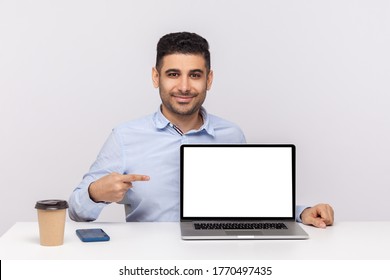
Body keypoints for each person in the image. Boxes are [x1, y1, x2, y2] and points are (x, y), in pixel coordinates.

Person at [69, 32, 334, 228]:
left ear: (209, 79)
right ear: (155, 77)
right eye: (173, 74)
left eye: (195, 75)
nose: (184, 86)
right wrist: (95, 193)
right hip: (152, 262)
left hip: (221, 257)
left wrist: (302, 212)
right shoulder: (125, 137)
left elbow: (252, 204)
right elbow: (76, 209)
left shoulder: (231, 134)